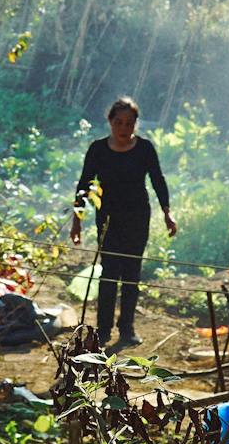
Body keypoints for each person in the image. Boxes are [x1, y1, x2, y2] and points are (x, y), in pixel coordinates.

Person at [70, 96, 176, 347]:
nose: (123, 129)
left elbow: (157, 181)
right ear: (110, 122)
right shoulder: (98, 149)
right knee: (108, 273)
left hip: (137, 218)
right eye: (119, 122)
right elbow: (84, 185)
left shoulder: (145, 148)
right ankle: (103, 330)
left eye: (129, 123)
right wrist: (77, 220)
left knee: (131, 274)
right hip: (107, 218)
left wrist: (167, 212)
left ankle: (126, 329)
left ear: (135, 125)